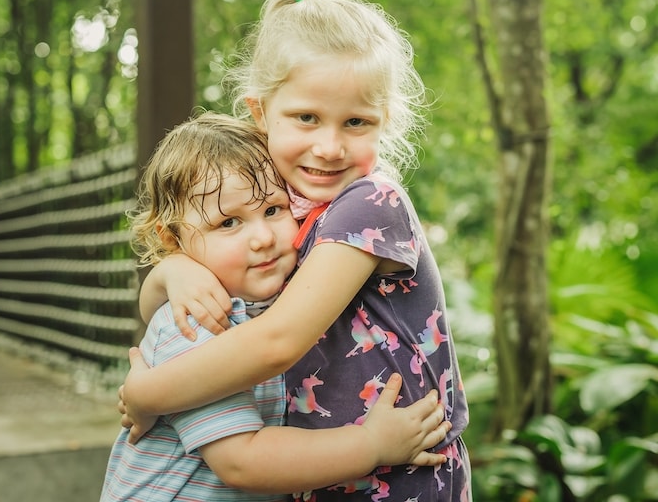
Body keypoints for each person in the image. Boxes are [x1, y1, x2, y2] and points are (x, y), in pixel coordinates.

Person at [121, 0, 472, 501]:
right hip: (315, 478)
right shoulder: (268, 204)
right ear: (261, 113)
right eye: (306, 117)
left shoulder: (371, 202)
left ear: (385, 123)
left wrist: (145, 392)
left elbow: (276, 343)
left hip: (401, 476)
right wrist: (175, 271)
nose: (328, 147)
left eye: (356, 122)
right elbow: (158, 306)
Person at [101, 112, 450, 502]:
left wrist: (170, 269)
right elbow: (242, 462)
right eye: (229, 223)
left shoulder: (278, 298)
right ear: (173, 239)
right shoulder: (196, 323)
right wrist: (370, 445)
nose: (263, 238)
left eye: (272, 210)